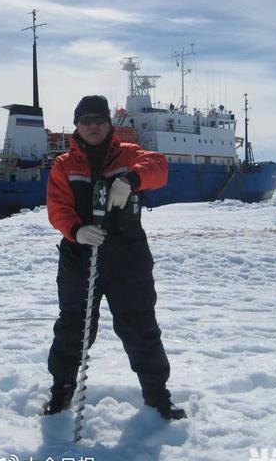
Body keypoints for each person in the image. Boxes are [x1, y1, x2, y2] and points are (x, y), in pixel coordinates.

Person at [43, 95, 186, 421]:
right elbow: (57, 207)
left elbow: (159, 167)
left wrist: (130, 180)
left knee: (140, 325)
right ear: (77, 125)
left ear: (108, 124)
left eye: (98, 120)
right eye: (86, 120)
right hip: (80, 257)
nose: (92, 126)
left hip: (128, 257)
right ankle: (61, 392)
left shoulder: (130, 155)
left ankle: (157, 397)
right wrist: (76, 230)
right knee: (73, 328)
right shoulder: (65, 164)